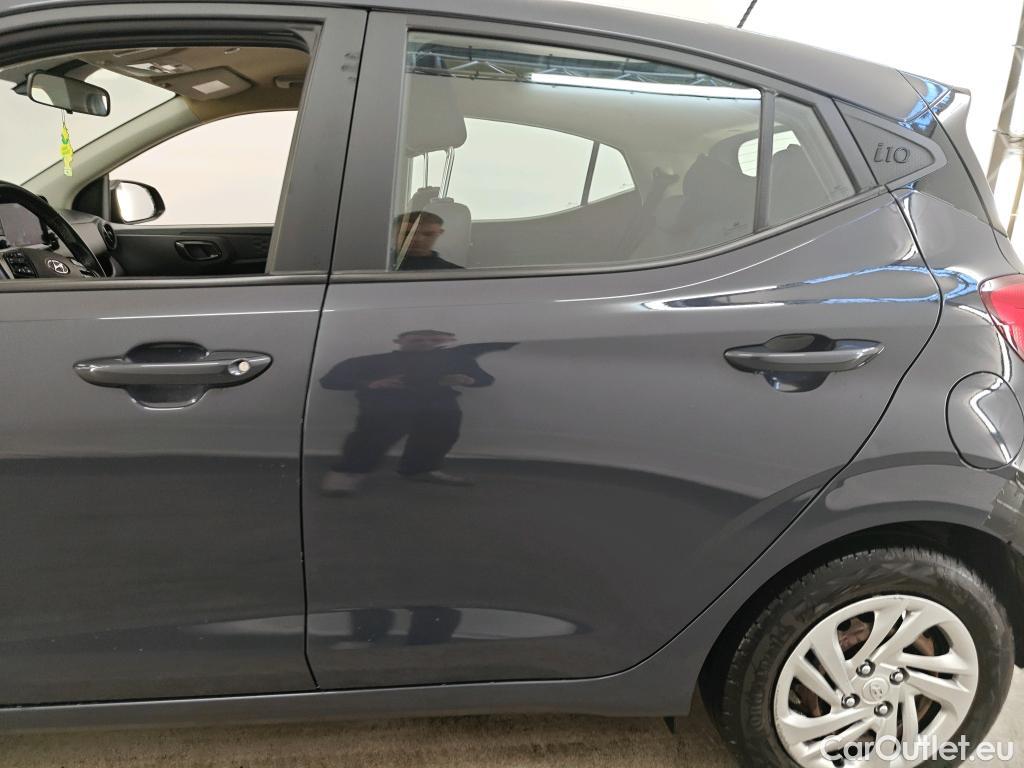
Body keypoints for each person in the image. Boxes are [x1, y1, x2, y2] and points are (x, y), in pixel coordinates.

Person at [320, 330, 494, 494]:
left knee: (441, 434)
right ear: (398, 341)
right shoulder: (372, 361)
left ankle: (420, 469)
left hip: (438, 405)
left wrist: (467, 380)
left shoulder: (456, 361)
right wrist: (370, 383)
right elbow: (329, 381)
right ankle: (348, 472)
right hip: (387, 405)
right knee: (373, 437)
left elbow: (485, 379)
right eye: (417, 339)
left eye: (434, 340)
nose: (426, 343)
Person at [393, 210, 462, 270]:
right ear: (393, 233)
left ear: (440, 233)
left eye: (428, 234)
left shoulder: (456, 273)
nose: (418, 239)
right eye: (407, 233)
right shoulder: (455, 272)